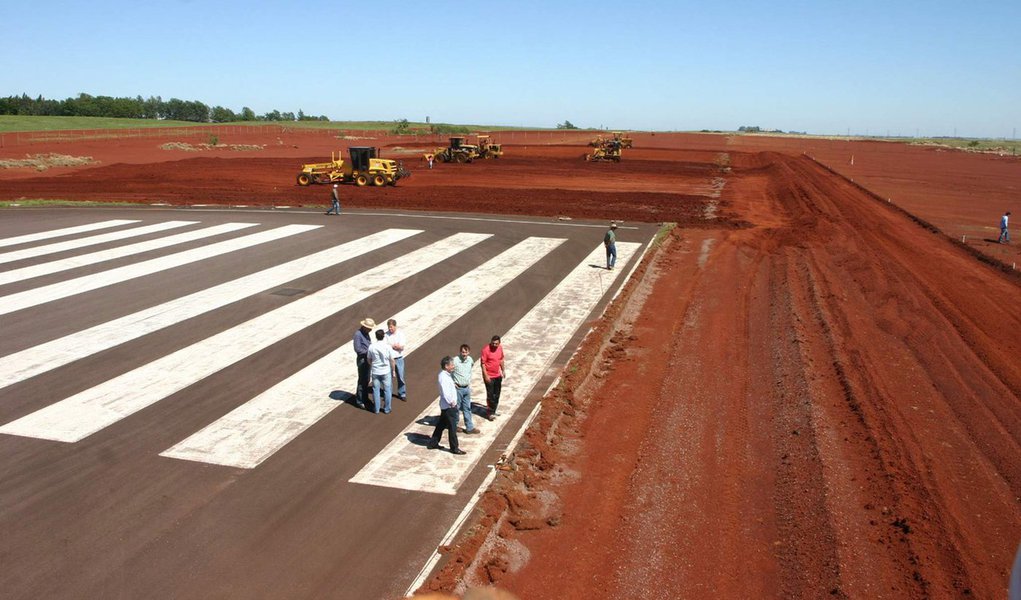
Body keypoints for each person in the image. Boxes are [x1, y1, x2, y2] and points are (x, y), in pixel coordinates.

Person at [428, 356, 466, 455]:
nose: (453, 366)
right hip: (449, 407)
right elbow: (445, 392)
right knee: (452, 427)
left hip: (446, 406)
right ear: (446, 366)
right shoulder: (443, 377)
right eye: (451, 365)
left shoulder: (445, 375)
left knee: (441, 425)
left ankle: (433, 443)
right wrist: (452, 403)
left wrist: (453, 384)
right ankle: (454, 448)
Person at [452, 343, 479, 434]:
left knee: (467, 408)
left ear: (468, 352)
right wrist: (453, 383)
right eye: (462, 352)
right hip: (458, 389)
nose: (464, 354)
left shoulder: (470, 360)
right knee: (456, 408)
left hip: (466, 388)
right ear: (460, 352)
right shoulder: (455, 360)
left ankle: (469, 428)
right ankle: (454, 426)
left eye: (466, 352)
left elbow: (471, 366)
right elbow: (448, 372)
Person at [367, 329, 395, 414]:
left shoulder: (371, 346)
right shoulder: (388, 347)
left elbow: (369, 359)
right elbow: (392, 360)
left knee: (376, 390)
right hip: (386, 371)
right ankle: (387, 409)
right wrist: (393, 370)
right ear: (383, 336)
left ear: (376, 337)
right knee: (387, 390)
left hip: (376, 371)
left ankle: (376, 409)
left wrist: (373, 365)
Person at [480, 335, 505, 421]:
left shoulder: (500, 348)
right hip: (489, 376)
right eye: (493, 343)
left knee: (497, 394)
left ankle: (494, 410)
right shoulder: (486, 350)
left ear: (499, 343)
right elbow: (483, 364)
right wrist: (486, 375)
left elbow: (501, 359)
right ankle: (489, 413)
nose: (494, 345)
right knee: (490, 395)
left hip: (498, 375)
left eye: (496, 344)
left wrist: (503, 370)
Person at [353, 318, 374, 409]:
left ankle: (365, 398)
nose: (371, 329)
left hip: (367, 359)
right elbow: (358, 349)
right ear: (364, 327)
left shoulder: (366, 333)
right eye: (369, 328)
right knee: (362, 380)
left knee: (367, 379)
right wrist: (369, 351)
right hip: (362, 360)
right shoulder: (358, 334)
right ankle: (360, 400)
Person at [385, 319, 407, 401]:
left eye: (391, 327)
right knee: (388, 377)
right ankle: (388, 394)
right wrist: (394, 346)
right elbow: (386, 347)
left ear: (395, 326)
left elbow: (401, 347)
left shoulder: (400, 334)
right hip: (389, 359)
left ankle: (402, 393)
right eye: (389, 327)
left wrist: (393, 346)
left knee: (401, 377)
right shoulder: (386, 335)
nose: (390, 329)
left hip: (399, 358)